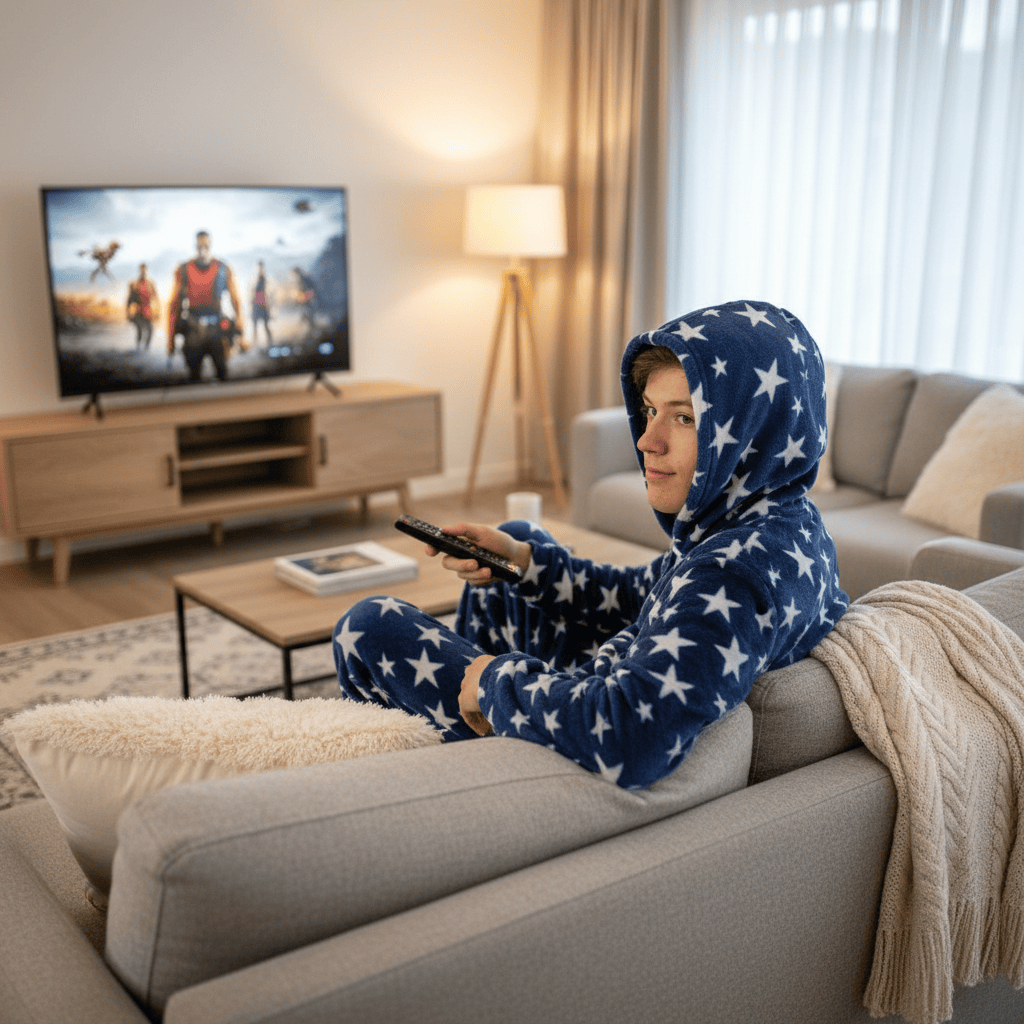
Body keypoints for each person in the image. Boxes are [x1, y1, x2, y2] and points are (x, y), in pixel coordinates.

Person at [332, 300, 849, 788]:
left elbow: (631, 734)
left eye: (685, 418)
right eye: (650, 411)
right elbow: (638, 596)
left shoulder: (732, 574)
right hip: (595, 684)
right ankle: (466, 704)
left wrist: (496, 683)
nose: (647, 441)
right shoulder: (779, 525)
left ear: (753, 432)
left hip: (574, 741)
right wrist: (524, 562)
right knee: (520, 542)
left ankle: (457, 745)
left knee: (369, 625)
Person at [166, 231, 247, 382]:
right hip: (193, 329)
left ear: (210, 245)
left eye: (206, 245)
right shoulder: (184, 269)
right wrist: (170, 339)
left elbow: (236, 301)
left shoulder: (222, 268)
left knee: (222, 372)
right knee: (194, 376)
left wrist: (241, 334)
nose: (203, 249)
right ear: (195, 245)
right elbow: (174, 305)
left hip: (217, 329)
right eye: (200, 245)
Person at [126, 263, 159, 350]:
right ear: (139, 270)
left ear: (146, 271)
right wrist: (128, 313)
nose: (143, 271)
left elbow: (156, 298)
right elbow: (129, 300)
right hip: (138, 311)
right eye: (141, 270)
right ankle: (138, 348)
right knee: (140, 330)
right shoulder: (134, 284)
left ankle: (146, 349)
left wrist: (157, 312)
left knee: (150, 330)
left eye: (144, 270)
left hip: (147, 311)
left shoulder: (150, 284)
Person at [251, 260, 273, 345]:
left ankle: (270, 342)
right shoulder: (256, 278)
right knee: (255, 326)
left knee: (264, 325)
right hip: (257, 305)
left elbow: (265, 292)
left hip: (262, 304)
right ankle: (255, 343)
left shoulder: (263, 278)